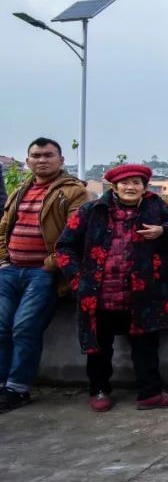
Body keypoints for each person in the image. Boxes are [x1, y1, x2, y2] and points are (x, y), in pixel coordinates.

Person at [55, 163, 168, 411]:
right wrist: (79, 279)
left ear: (144, 188)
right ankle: (99, 391)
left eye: (137, 183)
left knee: (146, 347)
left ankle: (150, 394)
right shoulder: (92, 210)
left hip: (143, 295)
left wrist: (164, 230)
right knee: (99, 348)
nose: (131, 187)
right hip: (99, 295)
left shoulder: (155, 207)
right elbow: (64, 247)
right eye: (126, 182)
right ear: (114, 186)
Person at [0, 137, 88, 413]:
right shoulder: (19, 192)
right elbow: (4, 228)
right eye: (36, 156)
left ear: (61, 160)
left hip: (43, 273)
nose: (42, 160)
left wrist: (51, 264)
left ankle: (17, 388)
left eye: (48, 155)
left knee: (25, 328)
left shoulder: (73, 192)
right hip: (10, 270)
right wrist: (3, 260)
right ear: (27, 162)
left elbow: (77, 232)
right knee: (1, 328)